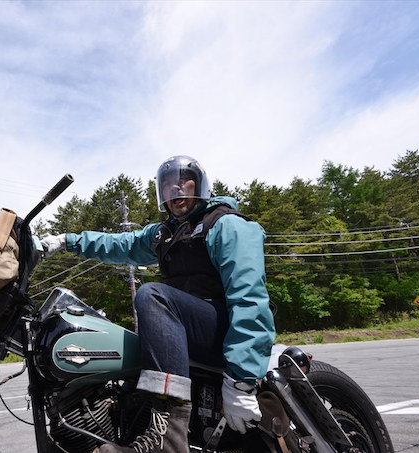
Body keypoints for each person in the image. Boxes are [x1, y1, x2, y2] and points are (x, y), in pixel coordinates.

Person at [40, 155, 275, 453]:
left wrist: (241, 381)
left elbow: (249, 299)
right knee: (128, 357)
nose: (175, 189)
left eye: (183, 181)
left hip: (225, 333)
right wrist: (65, 241)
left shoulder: (226, 225)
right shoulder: (165, 233)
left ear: (200, 185)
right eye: (167, 185)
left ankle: (168, 437)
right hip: (189, 333)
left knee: (152, 294)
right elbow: (119, 244)